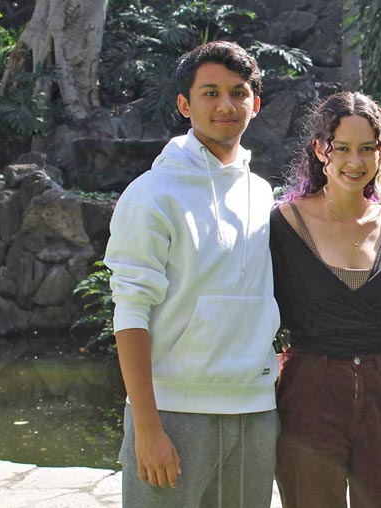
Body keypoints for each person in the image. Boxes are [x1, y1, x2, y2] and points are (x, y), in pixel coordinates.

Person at [104, 41, 280, 508]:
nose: (226, 105)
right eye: (210, 93)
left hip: (255, 409)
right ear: (185, 104)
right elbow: (130, 311)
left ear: (255, 104)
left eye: (239, 92)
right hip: (174, 412)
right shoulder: (151, 195)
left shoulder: (263, 194)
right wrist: (146, 427)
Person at [270, 91, 381, 508]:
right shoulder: (283, 224)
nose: (356, 162)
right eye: (343, 148)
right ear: (320, 149)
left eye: (367, 149)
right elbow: (256, 307)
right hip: (308, 391)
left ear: (380, 153)